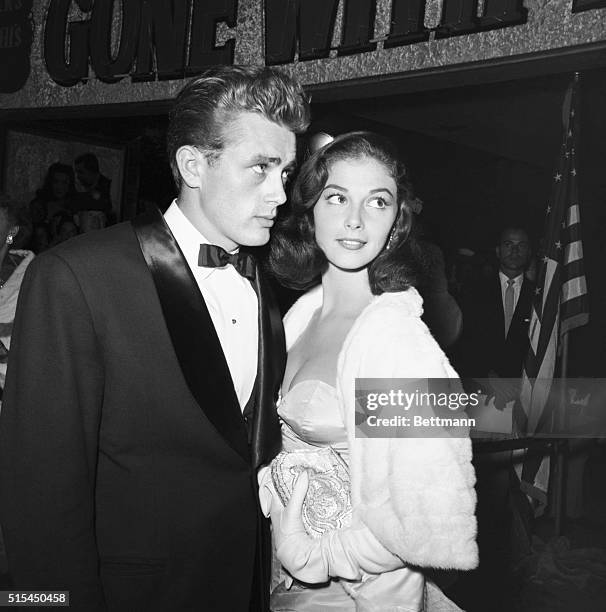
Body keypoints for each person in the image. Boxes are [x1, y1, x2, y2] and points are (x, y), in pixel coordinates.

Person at [0, 65, 310, 611]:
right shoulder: (76, 277)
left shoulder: (266, 281)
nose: (279, 194)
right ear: (193, 165)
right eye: (260, 169)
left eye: (284, 171)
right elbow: (38, 496)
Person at [259, 132, 478, 611]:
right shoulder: (298, 317)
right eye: (337, 197)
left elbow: (428, 519)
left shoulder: (400, 342)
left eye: (377, 202)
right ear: (310, 209)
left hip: (363, 594)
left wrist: (315, 555)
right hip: (286, 581)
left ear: (396, 223)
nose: (355, 221)